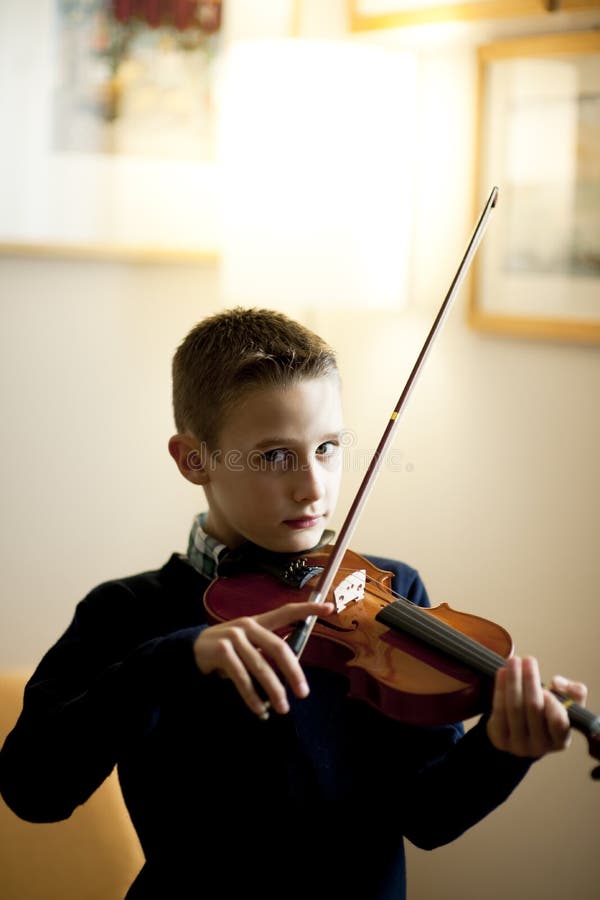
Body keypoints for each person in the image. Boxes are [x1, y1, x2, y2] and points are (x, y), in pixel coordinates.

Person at [0, 307, 587, 900]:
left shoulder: (389, 592)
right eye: (276, 457)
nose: (314, 486)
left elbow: (427, 817)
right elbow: (33, 790)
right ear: (193, 459)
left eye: (328, 448)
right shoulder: (127, 613)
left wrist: (501, 752)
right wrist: (176, 659)